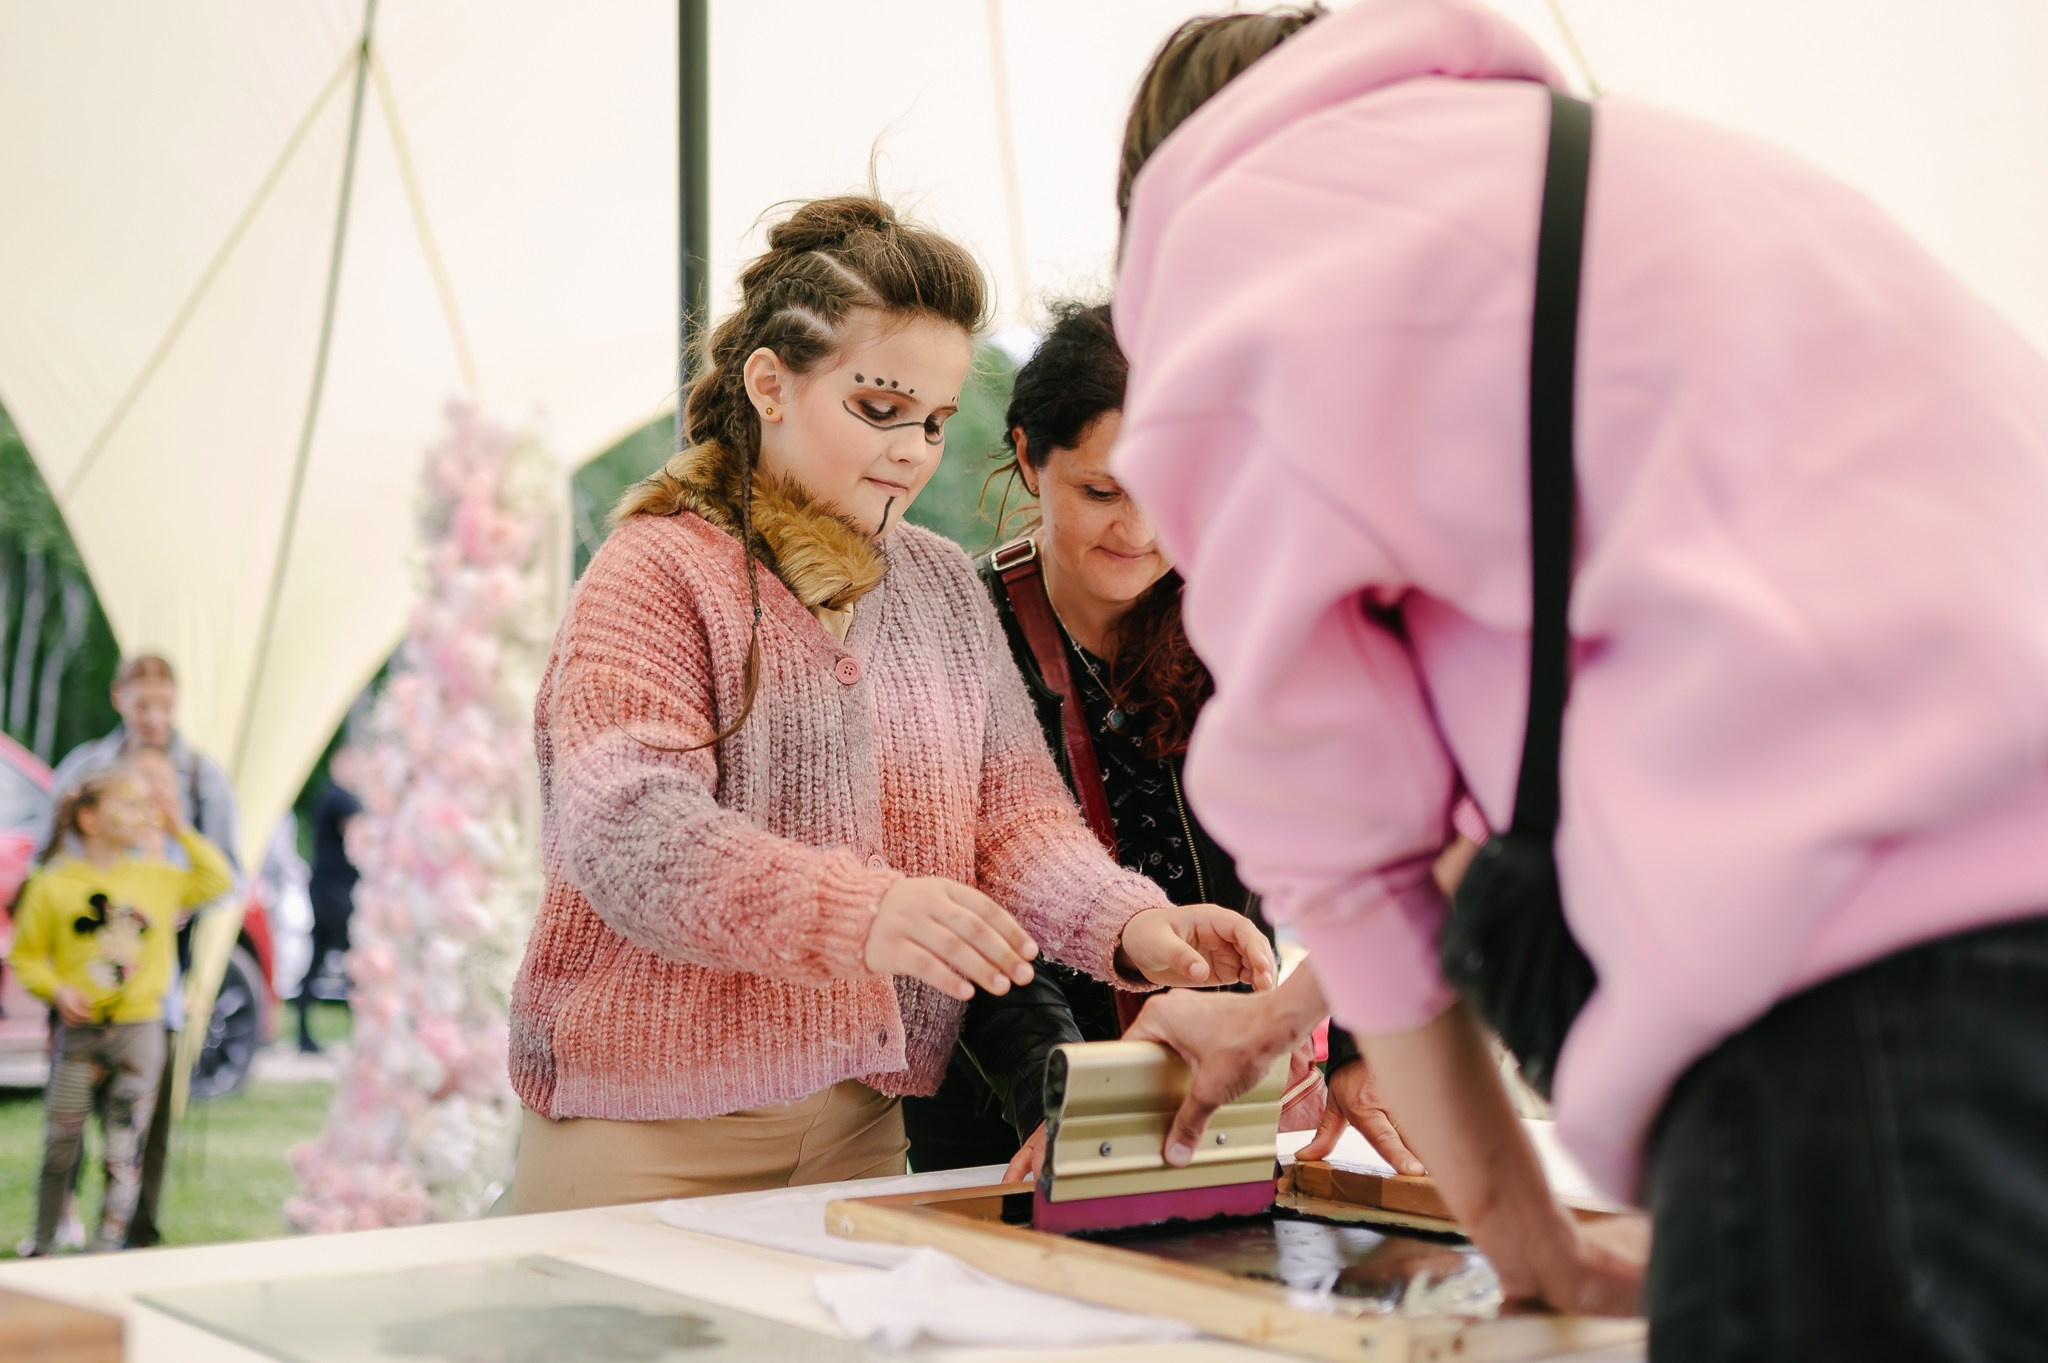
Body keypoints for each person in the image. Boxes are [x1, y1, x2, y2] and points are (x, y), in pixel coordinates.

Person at [1107, 2, 2048, 1355]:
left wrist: (1527, 1238)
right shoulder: (1648, 171)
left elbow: (1352, 855)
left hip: (1864, 1036)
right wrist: (1282, 1015)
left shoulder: (1257, 275)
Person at [504, 196, 1275, 1213]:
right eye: (879, 409)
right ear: (770, 386)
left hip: (860, 1133)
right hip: (640, 1138)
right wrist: (864, 909)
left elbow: (1016, 823)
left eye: (935, 422)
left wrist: (1132, 922)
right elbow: (628, 831)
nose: (914, 449)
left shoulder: (938, 582)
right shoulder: (656, 568)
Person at [901, 301, 1423, 1178]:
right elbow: (956, 889)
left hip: (1223, 1090)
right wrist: (1062, 1095)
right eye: (1101, 492)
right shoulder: (949, 624)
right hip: (1006, 1113)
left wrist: (1360, 1045)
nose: (1138, 533)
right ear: (1028, 455)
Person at [43, 652, 243, 1249]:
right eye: (142, 705)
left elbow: (227, 873)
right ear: (120, 700)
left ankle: (137, 1227)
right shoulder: (88, 767)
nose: (154, 718)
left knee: (143, 1104)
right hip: (85, 951)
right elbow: (49, 851)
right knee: (72, 1100)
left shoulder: (200, 777)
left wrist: (176, 899)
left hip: (159, 962)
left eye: (165, 706)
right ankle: (59, 1217)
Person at [9, 764, 233, 1254]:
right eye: (129, 803)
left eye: (144, 804)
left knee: (123, 1149)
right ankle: (43, 1243)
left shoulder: (160, 879)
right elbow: (26, 956)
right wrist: (57, 991)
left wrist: (178, 829)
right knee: (61, 1143)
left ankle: (107, 1248)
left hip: (140, 1035)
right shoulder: (53, 884)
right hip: (80, 1037)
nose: (142, 812)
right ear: (89, 819)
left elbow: (219, 879)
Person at [296, 754, 363, 1054]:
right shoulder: (341, 800)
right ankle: (360, 1028)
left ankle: (303, 1032)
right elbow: (359, 840)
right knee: (356, 959)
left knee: (318, 959)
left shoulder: (327, 796)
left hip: (323, 888)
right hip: (336, 890)